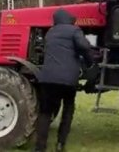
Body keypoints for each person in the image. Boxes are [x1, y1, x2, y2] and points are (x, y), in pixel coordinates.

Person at [34, 8, 94, 152]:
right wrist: (90, 62)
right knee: (68, 109)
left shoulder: (50, 33)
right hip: (68, 80)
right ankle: (60, 144)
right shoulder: (74, 31)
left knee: (45, 113)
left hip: (47, 79)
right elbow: (84, 46)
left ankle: (40, 147)